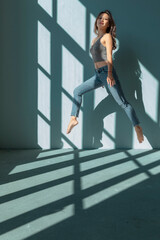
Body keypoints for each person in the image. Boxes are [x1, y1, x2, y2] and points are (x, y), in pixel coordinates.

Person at [66, 9, 144, 144]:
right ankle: (74, 118)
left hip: (107, 73)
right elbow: (96, 59)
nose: (102, 20)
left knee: (123, 103)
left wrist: (108, 74)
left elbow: (109, 57)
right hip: (98, 75)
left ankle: (137, 127)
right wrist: (100, 78)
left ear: (109, 24)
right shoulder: (94, 40)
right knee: (77, 91)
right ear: (97, 21)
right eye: (100, 17)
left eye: (106, 19)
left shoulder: (107, 37)